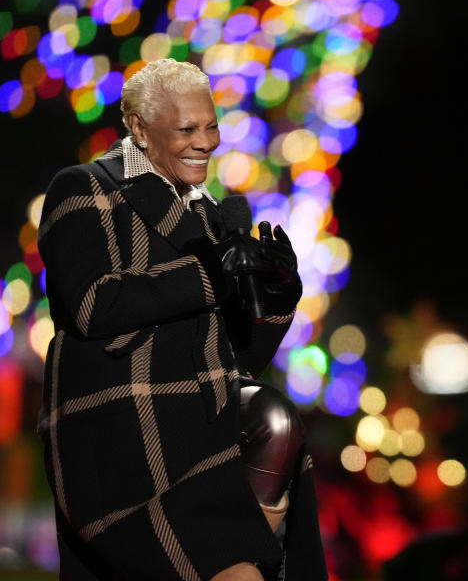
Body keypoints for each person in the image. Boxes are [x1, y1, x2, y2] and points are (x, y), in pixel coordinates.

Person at [36, 58, 327, 580]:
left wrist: (278, 295)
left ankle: (249, 544)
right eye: (187, 129)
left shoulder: (210, 216)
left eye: (211, 125)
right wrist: (211, 274)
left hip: (204, 432)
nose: (206, 142)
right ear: (139, 128)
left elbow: (239, 361)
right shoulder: (83, 187)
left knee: (275, 417)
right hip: (124, 441)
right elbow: (91, 304)